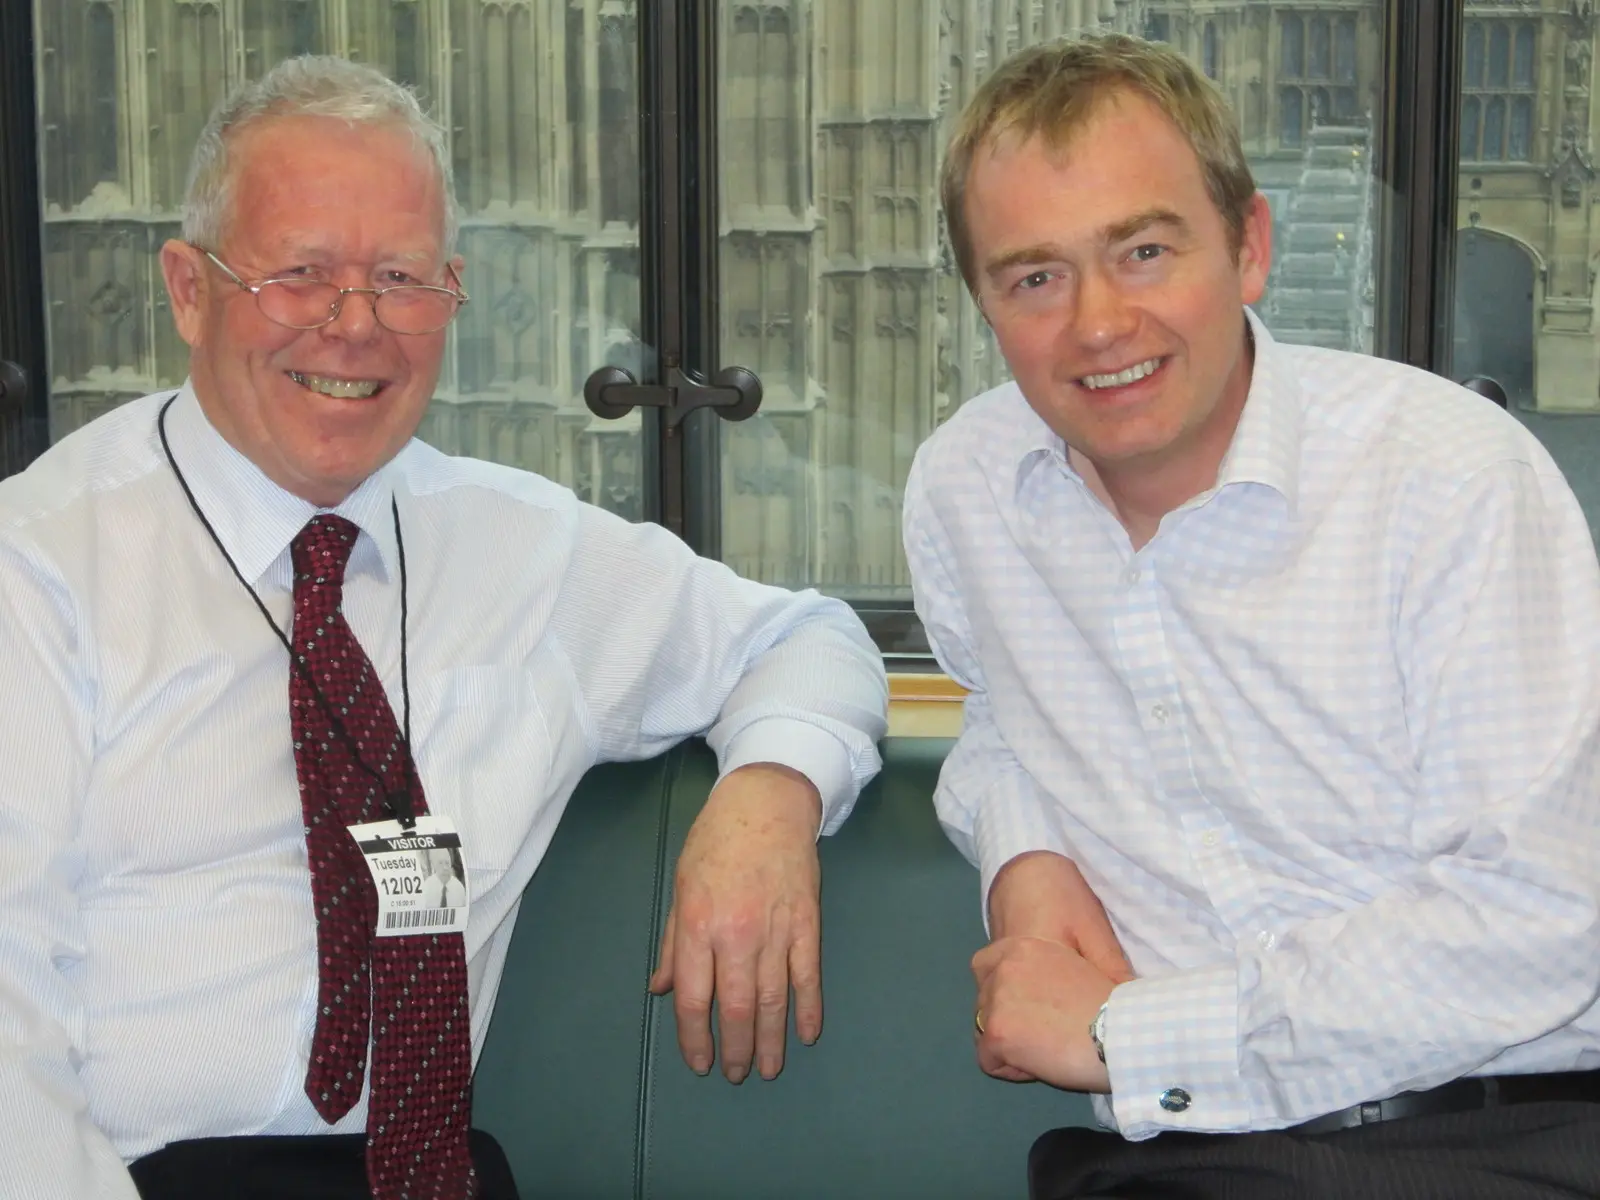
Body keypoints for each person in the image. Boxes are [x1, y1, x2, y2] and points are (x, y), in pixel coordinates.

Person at [0, 56, 887, 1200]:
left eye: (402, 279)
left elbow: (806, 638)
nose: (355, 326)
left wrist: (770, 799)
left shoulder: (521, 549)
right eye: (302, 273)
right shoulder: (37, 567)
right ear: (187, 287)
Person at [905, 33, 1600, 1200]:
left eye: (1142, 250)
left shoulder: (1449, 478)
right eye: (1034, 276)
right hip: (1173, 1165)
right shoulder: (967, 489)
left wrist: (1137, 1039)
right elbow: (996, 717)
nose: (1097, 324)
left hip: (1503, 1133)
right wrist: (1021, 851)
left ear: (1250, 248)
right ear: (982, 301)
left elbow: (1546, 914)